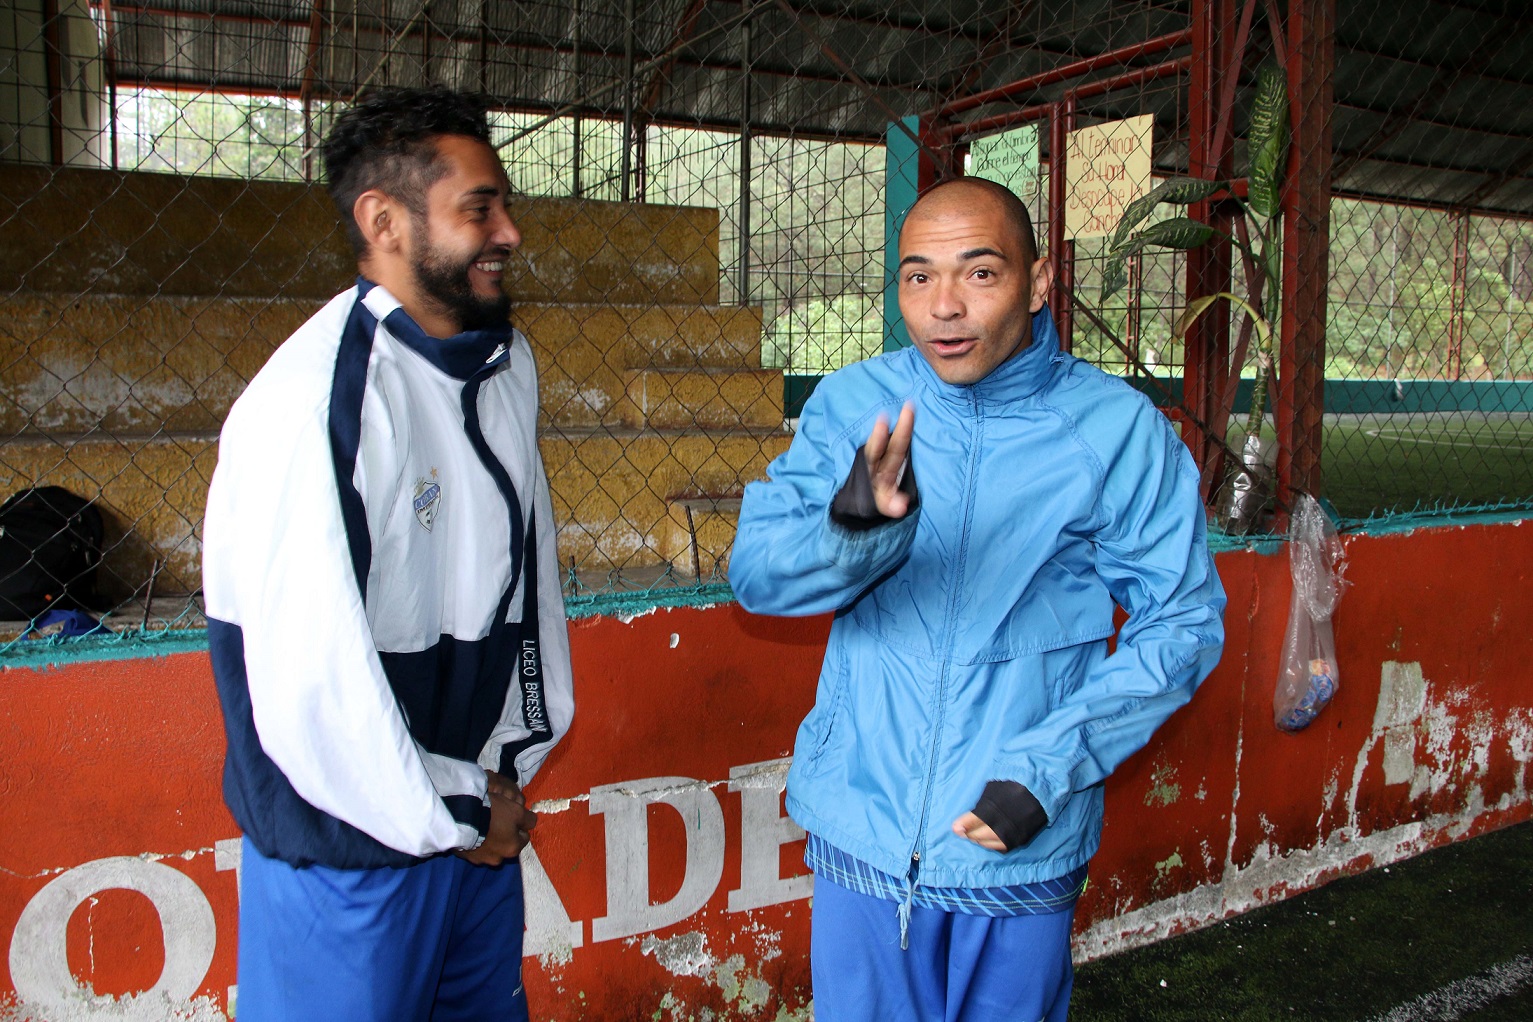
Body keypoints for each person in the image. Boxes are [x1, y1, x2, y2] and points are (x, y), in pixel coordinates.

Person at [730, 177, 1226, 1021]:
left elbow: (1179, 619)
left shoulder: (1113, 429)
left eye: (980, 273)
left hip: (1014, 834)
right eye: (918, 277)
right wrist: (850, 530)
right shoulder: (855, 405)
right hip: (862, 827)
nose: (943, 307)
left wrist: (1048, 769)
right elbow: (757, 577)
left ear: (1037, 283)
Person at [203, 85, 573, 1021]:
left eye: (505, 205)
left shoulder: (505, 362)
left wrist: (494, 782)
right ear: (384, 222)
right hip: (348, 852)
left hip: (468, 826)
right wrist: (458, 806)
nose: (510, 233)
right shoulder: (311, 404)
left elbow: (527, 588)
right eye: (479, 209)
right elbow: (311, 690)